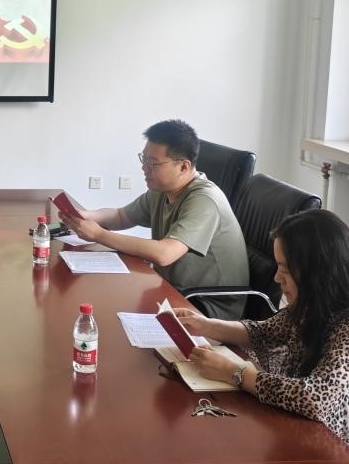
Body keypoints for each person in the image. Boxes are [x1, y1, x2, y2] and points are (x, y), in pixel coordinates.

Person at [173, 208, 349, 464]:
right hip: (320, 439)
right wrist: (206, 325)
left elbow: (318, 398)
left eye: (285, 269)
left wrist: (235, 373)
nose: (276, 278)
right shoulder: (315, 304)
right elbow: (263, 332)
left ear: (318, 272)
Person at [60, 119, 248, 318]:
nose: (144, 168)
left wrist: (98, 234)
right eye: (144, 159)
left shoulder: (205, 200)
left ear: (183, 167)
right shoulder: (162, 190)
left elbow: (164, 253)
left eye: (153, 163)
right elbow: (121, 216)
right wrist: (86, 216)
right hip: (172, 288)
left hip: (206, 306)